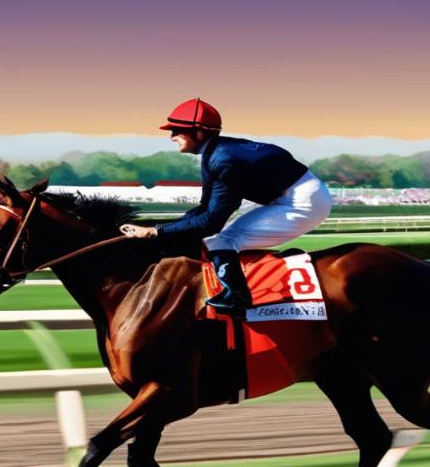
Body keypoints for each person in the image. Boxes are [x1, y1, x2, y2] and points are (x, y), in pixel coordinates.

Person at [120, 98, 332, 318]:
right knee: (217, 237)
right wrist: (159, 228)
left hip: (303, 201)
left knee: (220, 239)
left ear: (200, 133)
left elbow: (211, 222)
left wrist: (156, 232)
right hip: (289, 194)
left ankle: (237, 297)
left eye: (177, 130)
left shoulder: (223, 160)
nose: (171, 136)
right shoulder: (213, 154)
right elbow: (204, 208)